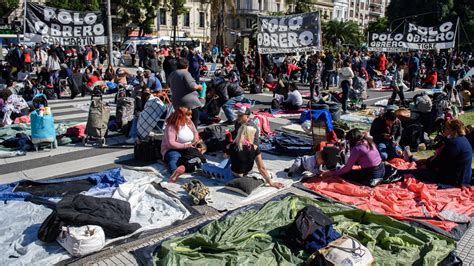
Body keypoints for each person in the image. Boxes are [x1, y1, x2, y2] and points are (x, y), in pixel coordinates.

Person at [202, 125, 284, 188]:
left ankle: (214, 170)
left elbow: (225, 156)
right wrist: (271, 182)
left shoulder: (232, 146)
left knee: (206, 166)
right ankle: (222, 168)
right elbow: (261, 168)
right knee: (231, 160)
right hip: (246, 174)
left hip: (231, 176)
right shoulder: (255, 148)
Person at [400, 119, 472, 186]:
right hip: (462, 177)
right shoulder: (462, 140)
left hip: (453, 179)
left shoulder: (454, 143)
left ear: (452, 130)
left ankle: (399, 170)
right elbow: (442, 158)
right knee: (422, 163)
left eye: (446, 128)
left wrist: (427, 165)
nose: (444, 129)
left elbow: (440, 161)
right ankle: (410, 158)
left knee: (410, 172)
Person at [320, 129, 385, 186]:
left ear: (352, 140)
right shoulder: (368, 142)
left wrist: (331, 173)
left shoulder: (357, 149)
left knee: (345, 174)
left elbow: (346, 169)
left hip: (372, 175)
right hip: (381, 170)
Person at [161, 107, 201, 182]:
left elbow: (195, 132)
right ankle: (174, 172)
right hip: (172, 149)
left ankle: (200, 168)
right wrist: (186, 145)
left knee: (196, 157)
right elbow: (171, 144)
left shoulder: (189, 122)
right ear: (181, 115)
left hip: (188, 148)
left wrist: (196, 140)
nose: (191, 117)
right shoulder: (171, 126)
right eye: (188, 115)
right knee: (174, 158)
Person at [168, 58, 203, 127]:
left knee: (181, 121)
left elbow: (169, 85)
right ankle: (193, 135)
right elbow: (192, 86)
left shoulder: (172, 74)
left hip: (176, 101)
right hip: (189, 102)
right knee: (193, 121)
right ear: (187, 65)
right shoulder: (185, 73)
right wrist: (199, 86)